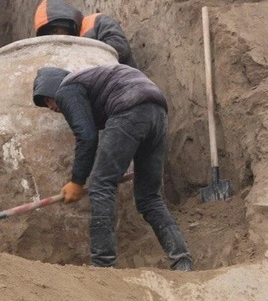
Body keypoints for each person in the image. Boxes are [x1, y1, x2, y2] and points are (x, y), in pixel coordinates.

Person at [32, 64, 193, 271]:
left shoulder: (66, 88)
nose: (51, 107)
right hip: (157, 112)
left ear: (52, 87)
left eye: (47, 100)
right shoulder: (91, 82)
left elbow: (87, 137)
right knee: (149, 198)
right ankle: (182, 261)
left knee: (101, 185)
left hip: (129, 107)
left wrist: (77, 181)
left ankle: (103, 264)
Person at [34, 0, 138, 68]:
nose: (55, 36)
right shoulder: (63, 52)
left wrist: (82, 55)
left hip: (126, 86)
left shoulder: (97, 21)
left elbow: (120, 47)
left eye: (55, 30)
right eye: (50, 35)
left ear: (65, 22)